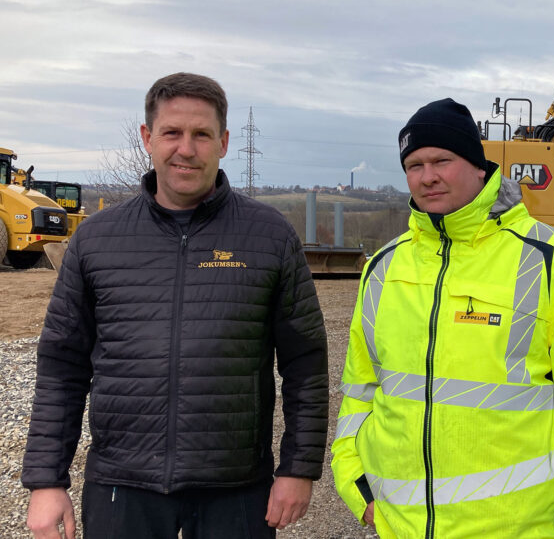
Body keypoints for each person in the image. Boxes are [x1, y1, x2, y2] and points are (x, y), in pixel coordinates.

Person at [22, 72, 328, 539]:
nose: (186, 148)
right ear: (148, 138)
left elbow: (306, 363)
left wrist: (298, 469)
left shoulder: (269, 236)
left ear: (224, 142)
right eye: (172, 133)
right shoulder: (97, 240)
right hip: (122, 486)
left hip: (237, 490)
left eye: (202, 134)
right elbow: (62, 365)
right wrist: (46, 480)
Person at [331, 98, 554, 538]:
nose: (427, 176)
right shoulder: (383, 266)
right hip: (401, 527)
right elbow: (360, 391)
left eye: (442, 160)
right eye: (414, 165)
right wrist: (357, 485)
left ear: (478, 166)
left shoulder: (550, 259)